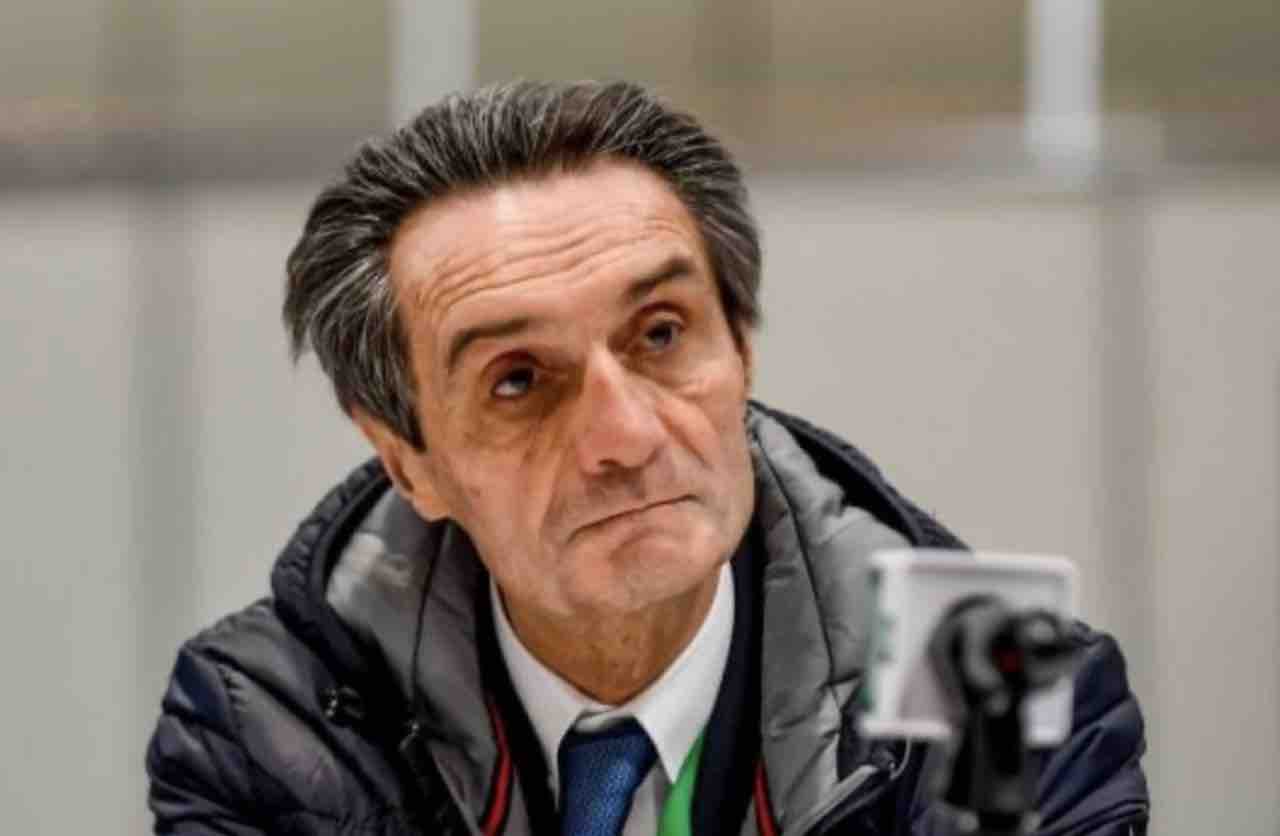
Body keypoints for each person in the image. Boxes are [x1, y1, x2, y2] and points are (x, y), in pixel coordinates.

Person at [146, 80, 1149, 835]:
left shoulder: (989, 678)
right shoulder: (270, 721)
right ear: (410, 463)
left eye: (661, 333)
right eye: (517, 380)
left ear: (741, 349)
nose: (624, 438)